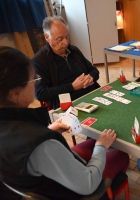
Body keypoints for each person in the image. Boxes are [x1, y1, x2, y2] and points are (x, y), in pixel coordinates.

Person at [0, 46, 129, 199]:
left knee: (93, 142)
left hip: (38, 178)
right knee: (121, 154)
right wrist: (101, 147)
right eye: (33, 79)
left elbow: (23, 147)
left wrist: (49, 130)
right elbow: (88, 183)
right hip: (73, 190)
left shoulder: (19, 129)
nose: (36, 83)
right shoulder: (41, 144)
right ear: (15, 93)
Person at [32, 16, 100, 109]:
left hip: (91, 93)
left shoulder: (73, 50)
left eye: (66, 37)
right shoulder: (39, 61)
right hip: (68, 104)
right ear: (47, 37)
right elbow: (40, 93)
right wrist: (72, 87)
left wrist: (90, 77)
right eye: (60, 39)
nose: (66, 43)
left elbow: (93, 70)